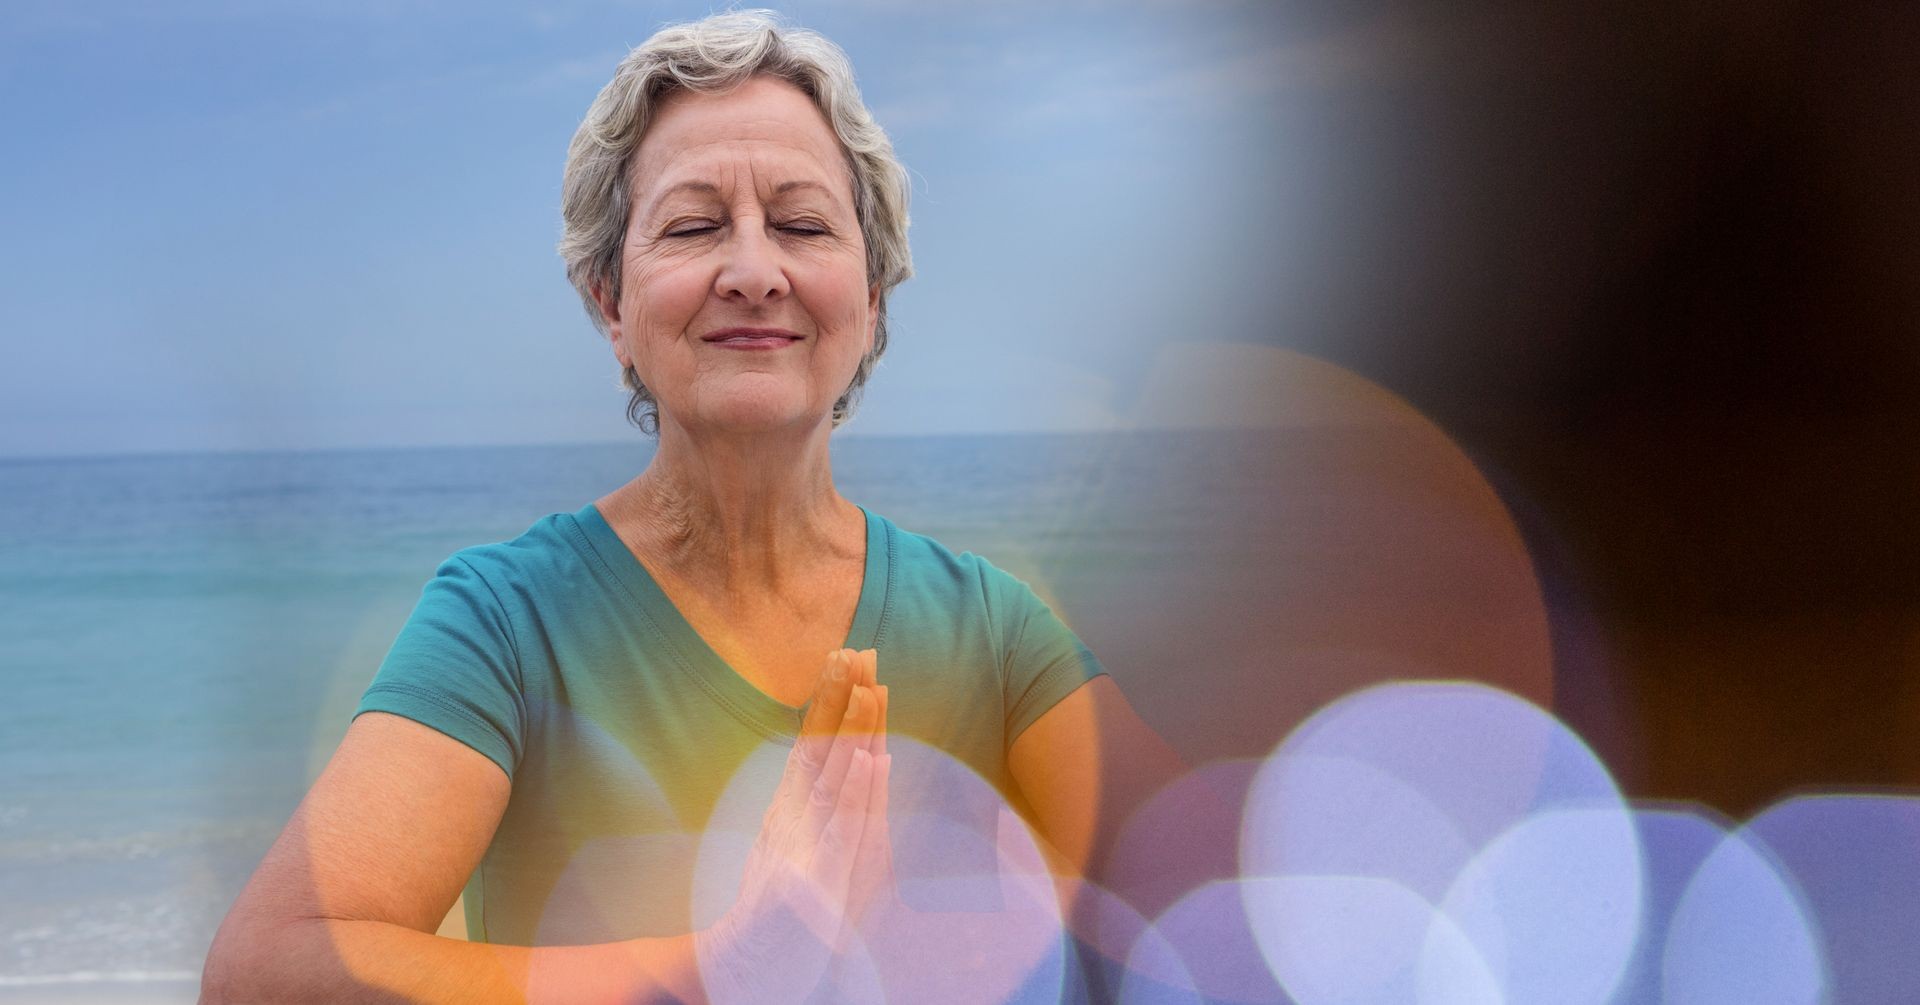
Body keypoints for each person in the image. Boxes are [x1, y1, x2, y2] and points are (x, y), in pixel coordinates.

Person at [201, 10, 1183, 1002]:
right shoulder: (508, 621)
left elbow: (1230, 920)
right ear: (610, 303)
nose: (754, 272)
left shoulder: (993, 635)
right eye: (693, 227)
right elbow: (265, 973)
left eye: (802, 226)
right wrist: (729, 964)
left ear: (873, 297)